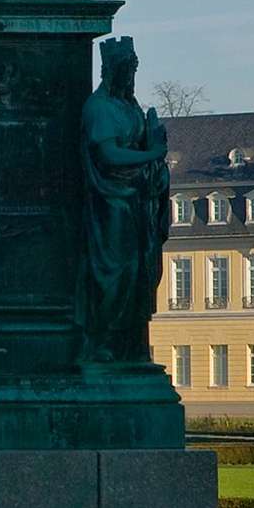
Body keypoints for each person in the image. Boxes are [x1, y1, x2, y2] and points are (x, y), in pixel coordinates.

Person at [80, 35, 171, 362]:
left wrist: (153, 136)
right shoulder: (99, 107)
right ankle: (105, 341)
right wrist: (151, 153)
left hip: (137, 200)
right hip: (112, 203)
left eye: (134, 71)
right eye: (127, 71)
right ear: (112, 71)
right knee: (117, 271)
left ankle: (131, 343)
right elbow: (109, 155)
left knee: (139, 271)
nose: (131, 78)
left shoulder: (129, 106)